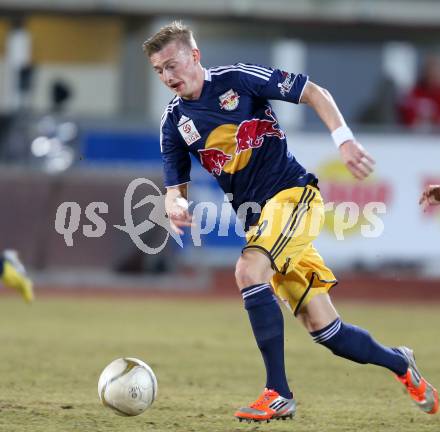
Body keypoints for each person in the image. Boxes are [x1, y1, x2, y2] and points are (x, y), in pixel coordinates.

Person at [143, 21, 438, 422]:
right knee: (327, 332)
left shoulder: (238, 79)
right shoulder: (174, 122)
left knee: (249, 269)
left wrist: (344, 139)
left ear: (194, 56)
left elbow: (315, 92)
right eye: (159, 71)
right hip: (260, 222)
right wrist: (175, 204)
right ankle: (401, 364)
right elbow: (175, 186)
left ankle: (277, 393)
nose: (167, 76)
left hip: (294, 197)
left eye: (173, 65)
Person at [399, 55, 440, 128]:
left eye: (435, 71)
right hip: (415, 137)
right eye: (429, 70)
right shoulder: (414, 92)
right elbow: (406, 115)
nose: (432, 74)